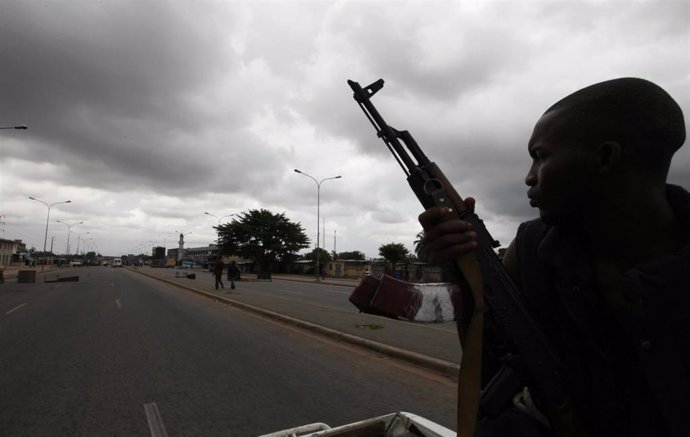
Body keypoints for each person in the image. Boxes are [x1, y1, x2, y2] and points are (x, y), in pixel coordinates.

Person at [419, 78, 689, 437]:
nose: (529, 178)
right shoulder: (533, 248)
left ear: (604, 157)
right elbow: (490, 362)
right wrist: (464, 275)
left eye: (541, 157)